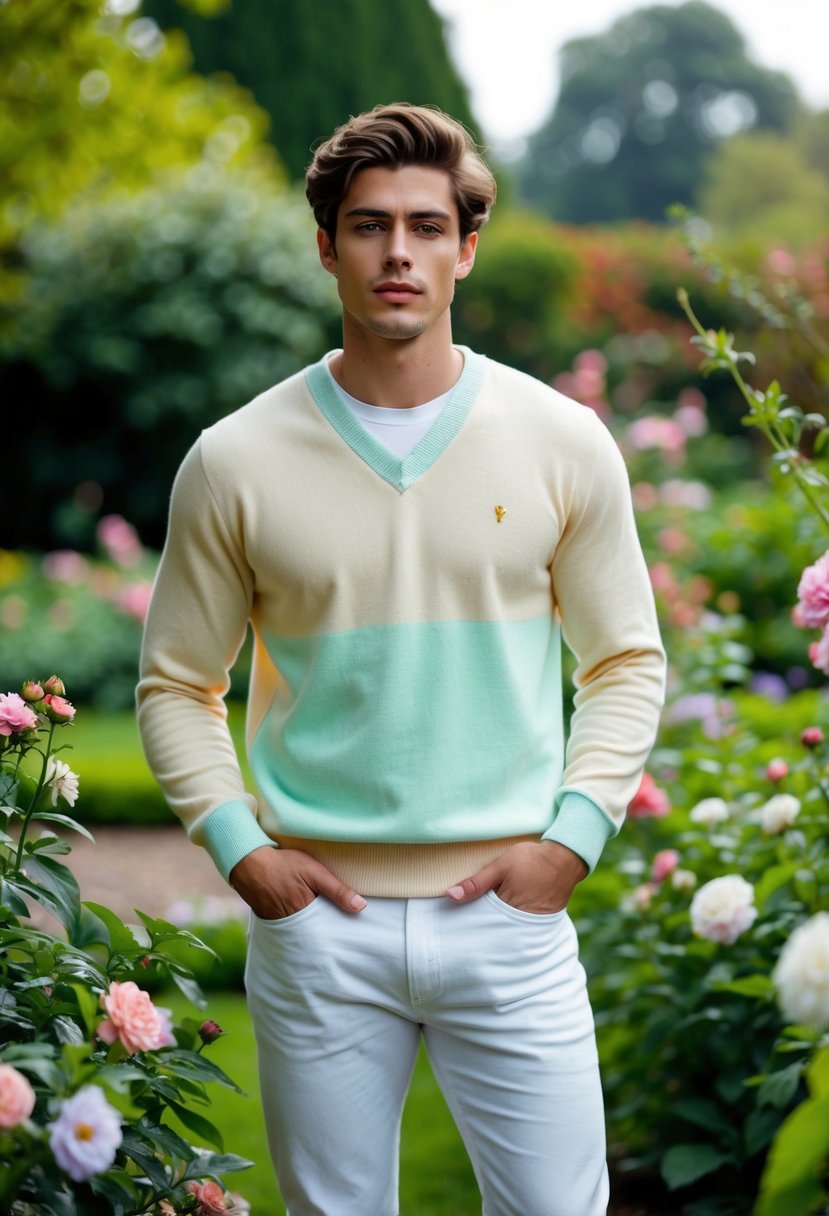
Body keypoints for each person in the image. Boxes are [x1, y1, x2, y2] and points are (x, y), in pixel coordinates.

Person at [137, 102, 666, 1216]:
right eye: (369, 225)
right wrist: (243, 851)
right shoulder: (233, 461)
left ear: (465, 249)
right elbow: (177, 683)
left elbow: (624, 660)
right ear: (326, 245)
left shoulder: (562, 443)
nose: (397, 253)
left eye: (427, 227)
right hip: (318, 928)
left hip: (511, 919)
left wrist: (570, 843)